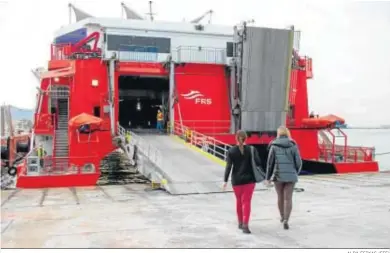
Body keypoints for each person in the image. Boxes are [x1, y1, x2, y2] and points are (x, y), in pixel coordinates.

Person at [223, 130, 262, 234]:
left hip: (236, 181)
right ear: (246, 138)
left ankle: (240, 223)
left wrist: (225, 181)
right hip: (249, 180)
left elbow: (228, 167)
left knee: (239, 202)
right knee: (246, 202)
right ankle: (245, 225)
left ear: (236, 138)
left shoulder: (231, 151)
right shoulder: (251, 149)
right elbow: (258, 162)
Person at [265, 126, 302, 230]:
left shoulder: (273, 145)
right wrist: (295, 172)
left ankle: (282, 216)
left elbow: (270, 164)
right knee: (288, 198)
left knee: (280, 197)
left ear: (278, 134)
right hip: (291, 176)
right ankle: (286, 219)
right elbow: (299, 162)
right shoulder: (293, 145)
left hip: (278, 176)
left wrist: (268, 177)